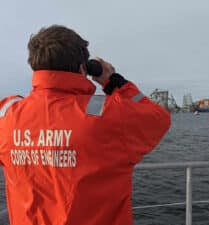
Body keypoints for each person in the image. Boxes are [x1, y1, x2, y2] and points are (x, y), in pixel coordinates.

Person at [0, 25, 171, 225]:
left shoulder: (6, 114)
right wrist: (113, 81)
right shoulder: (108, 114)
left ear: (35, 66)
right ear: (83, 68)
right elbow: (159, 118)